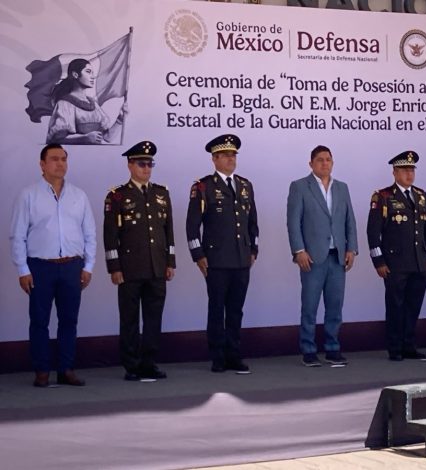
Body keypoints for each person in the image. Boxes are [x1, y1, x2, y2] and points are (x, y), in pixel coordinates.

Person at [10, 144, 96, 387]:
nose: (60, 164)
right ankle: (42, 371)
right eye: (54, 159)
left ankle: (66, 369)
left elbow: (89, 233)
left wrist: (88, 266)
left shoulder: (79, 196)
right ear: (42, 164)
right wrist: (22, 269)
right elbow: (17, 235)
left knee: (69, 320)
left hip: (72, 266)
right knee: (39, 321)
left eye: (64, 159)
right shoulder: (28, 195)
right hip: (40, 267)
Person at [186, 134, 259, 373]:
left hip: (241, 259)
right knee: (217, 308)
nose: (231, 159)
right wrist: (198, 255)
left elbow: (252, 223)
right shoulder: (203, 187)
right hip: (216, 260)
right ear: (214, 159)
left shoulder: (245, 185)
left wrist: (253, 249)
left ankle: (234, 355)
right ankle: (218, 356)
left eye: (233, 155)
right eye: (226, 155)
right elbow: (192, 225)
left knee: (236, 309)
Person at [103, 141, 175, 381]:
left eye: (150, 164)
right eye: (141, 164)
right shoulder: (117, 196)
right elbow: (110, 236)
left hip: (157, 267)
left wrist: (170, 262)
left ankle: (149, 362)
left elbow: (168, 231)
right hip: (130, 269)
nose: (146, 168)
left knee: (154, 319)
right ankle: (131, 365)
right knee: (130, 319)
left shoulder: (161, 193)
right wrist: (114, 268)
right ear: (130, 165)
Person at [287, 145, 358, 367]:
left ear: (333, 162)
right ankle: (308, 349)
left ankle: (332, 348)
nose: (324, 163)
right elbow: (293, 222)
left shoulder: (342, 188)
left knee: (335, 305)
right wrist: (299, 250)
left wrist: (351, 248)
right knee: (310, 305)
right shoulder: (300, 187)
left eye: (328, 159)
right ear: (311, 164)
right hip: (312, 256)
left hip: (337, 255)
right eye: (320, 160)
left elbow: (350, 221)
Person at [367, 151, 426, 361]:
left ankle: (409, 346)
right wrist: (378, 261)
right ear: (394, 172)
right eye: (405, 170)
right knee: (395, 306)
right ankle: (395, 348)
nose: (409, 174)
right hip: (395, 263)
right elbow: (373, 232)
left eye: (412, 170)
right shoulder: (384, 196)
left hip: (419, 262)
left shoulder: (421, 195)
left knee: (413, 306)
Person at [46, 58, 127, 145]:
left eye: (92, 73)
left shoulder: (93, 104)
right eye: (88, 72)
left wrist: (120, 119)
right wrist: (84, 138)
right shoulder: (65, 104)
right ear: (75, 74)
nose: (92, 76)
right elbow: (57, 139)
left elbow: (107, 138)